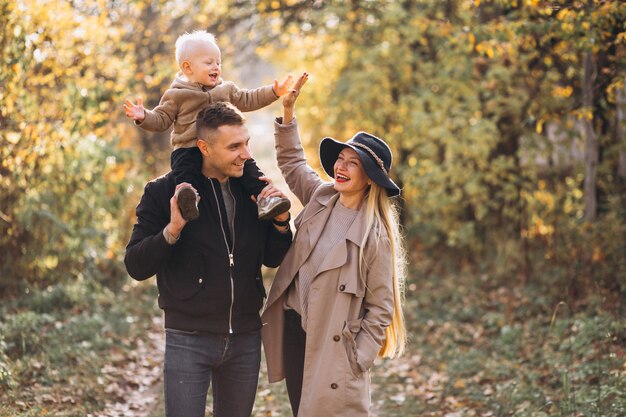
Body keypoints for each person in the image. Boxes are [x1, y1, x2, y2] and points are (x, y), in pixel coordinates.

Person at [124, 101, 293, 417]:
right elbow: (135, 264)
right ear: (204, 147)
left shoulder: (251, 191)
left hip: (244, 337)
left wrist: (281, 223)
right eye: (234, 146)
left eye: (246, 143)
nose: (245, 153)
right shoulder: (164, 192)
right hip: (188, 338)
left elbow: (271, 258)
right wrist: (173, 229)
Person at [260, 73, 407, 417]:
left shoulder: (375, 236)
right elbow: (294, 162)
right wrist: (288, 111)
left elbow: (381, 307)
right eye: (340, 158)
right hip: (296, 331)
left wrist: (359, 357)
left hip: (336, 347)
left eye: (352, 162)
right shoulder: (321, 196)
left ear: (370, 177)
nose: (340, 166)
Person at [124, 30, 292, 221]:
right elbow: (162, 119)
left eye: (218, 62)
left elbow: (248, 99)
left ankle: (266, 199)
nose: (216, 67)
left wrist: (273, 92)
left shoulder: (225, 89)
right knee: (185, 173)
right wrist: (144, 116)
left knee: (251, 170)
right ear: (188, 68)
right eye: (209, 62)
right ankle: (187, 199)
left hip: (222, 147)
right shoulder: (177, 94)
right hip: (188, 147)